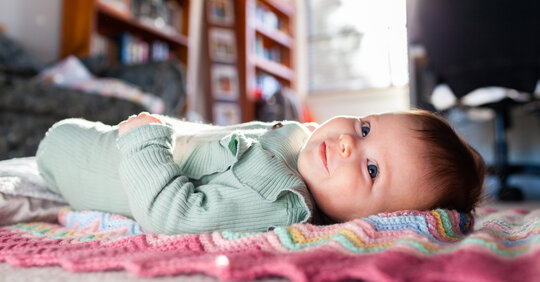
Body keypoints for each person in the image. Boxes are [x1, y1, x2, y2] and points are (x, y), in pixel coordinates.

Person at [36, 110, 485, 234]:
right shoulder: (301, 145)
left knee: (53, 147)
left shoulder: (282, 199)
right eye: (365, 127)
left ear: (369, 221)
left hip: (80, 163)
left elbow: (171, 216)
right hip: (101, 136)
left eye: (370, 169)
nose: (349, 141)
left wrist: (143, 141)